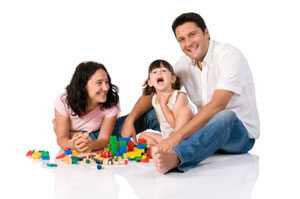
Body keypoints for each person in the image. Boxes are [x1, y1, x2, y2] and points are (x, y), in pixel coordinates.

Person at [121, 12, 260, 174]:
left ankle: (177, 157)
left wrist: (176, 137)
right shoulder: (184, 64)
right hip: (204, 130)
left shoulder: (228, 56)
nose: (188, 43)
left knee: (225, 116)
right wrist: (130, 120)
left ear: (206, 33)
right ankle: (98, 137)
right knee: (153, 111)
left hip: (238, 134)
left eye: (192, 35)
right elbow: (155, 89)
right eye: (182, 39)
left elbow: (217, 105)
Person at [53, 61, 120, 153]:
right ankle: (75, 135)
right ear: (83, 85)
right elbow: (61, 138)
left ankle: (73, 134)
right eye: (99, 83)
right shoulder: (64, 101)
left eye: (106, 82)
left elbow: (104, 139)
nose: (106, 88)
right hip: (77, 139)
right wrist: (73, 145)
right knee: (78, 135)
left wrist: (91, 145)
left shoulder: (111, 101)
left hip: (97, 134)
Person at [138, 59, 194, 146]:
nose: (159, 73)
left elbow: (175, 125)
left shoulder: (179, 96)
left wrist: (163, 105)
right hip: (167, 136)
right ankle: (162, 147)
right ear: (150, 83)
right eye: (154, 72)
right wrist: (165, 138)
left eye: (163, 71)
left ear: (172, 79)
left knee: (185, 111)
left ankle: (170, 146)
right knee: (143, 136)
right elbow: (162, 124)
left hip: (184, 136)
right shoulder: (154, 100)